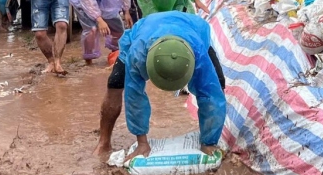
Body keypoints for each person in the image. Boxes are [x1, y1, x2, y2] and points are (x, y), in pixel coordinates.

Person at [93, 11, 227, 160]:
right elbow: (134, 96)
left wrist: (209, 142)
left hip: (193, 30)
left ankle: (212, 135)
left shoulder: (199, 52)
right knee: (115, 83)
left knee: (217, 84)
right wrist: (142, 142)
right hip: (145, 32)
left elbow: (211, 95)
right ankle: (104, 142)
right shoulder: (138, 53)